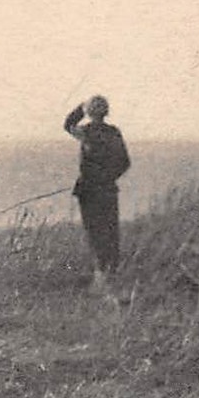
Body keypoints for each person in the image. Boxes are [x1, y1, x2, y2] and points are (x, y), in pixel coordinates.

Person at [63, 95, 131, 290]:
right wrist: (108, 177)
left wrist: (80, 109)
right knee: (110, 230)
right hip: (108, 189)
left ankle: (100, 277)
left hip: (89, 189)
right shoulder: (114, 133)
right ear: (106, 112)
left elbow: (67, 125)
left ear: (90, 113)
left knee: (94, 231)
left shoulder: (86, 132)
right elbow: (125, 163)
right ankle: (110, 275)